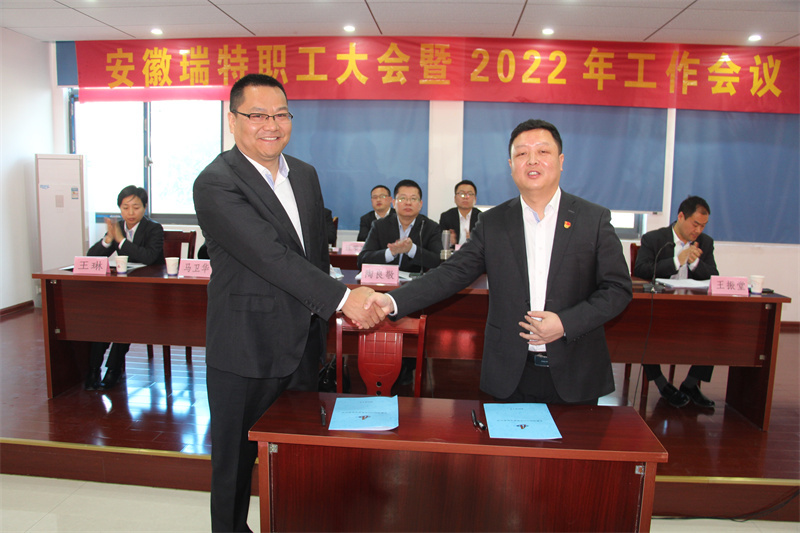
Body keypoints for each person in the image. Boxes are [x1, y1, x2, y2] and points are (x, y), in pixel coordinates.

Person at [192, 73, 384, 533]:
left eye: (280, 114)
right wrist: (344, 299)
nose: (271, 125)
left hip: (301, 345)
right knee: (235, 466)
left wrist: (325, 318)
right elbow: (269, 256)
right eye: (257, 115)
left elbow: (315, 256)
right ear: (233, 120)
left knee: (296, 456)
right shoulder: (216, 182)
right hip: (245, 348)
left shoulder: (305, 174)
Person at [366, 119, 633, 405]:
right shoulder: (493, 222)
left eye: (543, 151)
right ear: (511, 165)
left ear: (561, 161)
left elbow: (617, 289)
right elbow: (452, 273)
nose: (532, 160)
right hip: (512, 372)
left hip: (576, 371)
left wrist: (565, 323)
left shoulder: (593, 219)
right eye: (522, 153)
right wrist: (392, 301)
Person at [634, 195, 718, 408]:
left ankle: (690, 384)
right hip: (660, 309)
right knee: (643, 328)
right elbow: (641, 270)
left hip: (692, 309)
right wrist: (676, 261)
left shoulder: (705, 243)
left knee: (715, 329)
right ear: (681, 216)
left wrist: (695, 263)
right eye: (695, 224)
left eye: (703, 226)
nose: (698, 230)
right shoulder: (654, 239)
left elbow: (714, 276)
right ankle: (662, 384)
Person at [85, 185, 164, 390]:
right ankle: (93, 369)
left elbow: (149, 257)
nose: (130, 213)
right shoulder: (118, 227)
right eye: (125, 207)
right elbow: (91, 257)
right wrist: (108, 240)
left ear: (145, 207)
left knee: (125, 319)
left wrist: (120, 240)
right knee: (102, 318)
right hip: (123, 291)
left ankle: (113, 370)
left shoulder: (154, 228)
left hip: (149, 292)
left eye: (136, 207)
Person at [357, 179, 443, 273]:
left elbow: (438, 261)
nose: (408, 203)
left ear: (420, 204)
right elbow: (362, 260)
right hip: (386, 279)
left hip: (417, 281)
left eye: (413, 199)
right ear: (394, 203)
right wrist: (391, 252)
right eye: (402, 198)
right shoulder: (379, 225)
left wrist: (411, 249)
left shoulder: (431, 227)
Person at [438, 179, 482, 245]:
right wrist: (449, 242)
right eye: (462, 194)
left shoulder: (481, 218)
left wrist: (474, 241)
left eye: (469, 194)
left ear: (475, 199)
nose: (465, 197)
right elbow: (440, 243)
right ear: (455, 198)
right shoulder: (446, 217)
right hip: (454, 251)